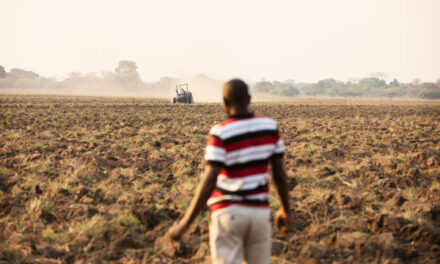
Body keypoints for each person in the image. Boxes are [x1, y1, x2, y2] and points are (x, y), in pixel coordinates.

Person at [168, 79, 290, 264]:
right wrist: (285, 209)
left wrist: (185, 224)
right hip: (259, 214)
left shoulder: (220, 133)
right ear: (249, 98)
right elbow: (279, 176)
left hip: (227, 213)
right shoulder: (269, 127)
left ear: (224, 103)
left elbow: (209, 181)